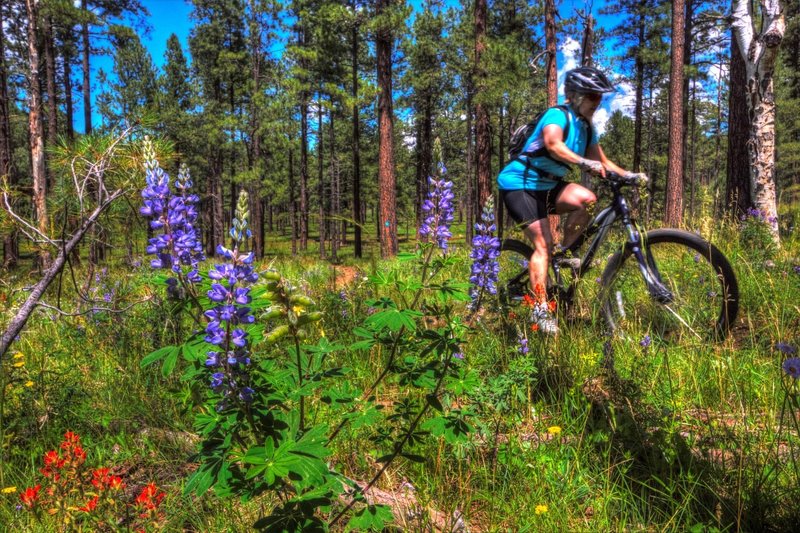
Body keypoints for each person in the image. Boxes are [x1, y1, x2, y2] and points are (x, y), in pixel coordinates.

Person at [497, 66, 648, 335]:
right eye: (593, 96)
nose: (597, 102)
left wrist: (630, 175)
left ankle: (566, 253)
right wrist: (583, 162)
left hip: (548, 186)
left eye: (600, 97)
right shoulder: (557, 115)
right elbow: (553, 144)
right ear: (576, 95)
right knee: (542, 246)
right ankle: (540, 309)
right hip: (520, 184)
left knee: (587, 199)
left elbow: (603, 162)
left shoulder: (587, 128)